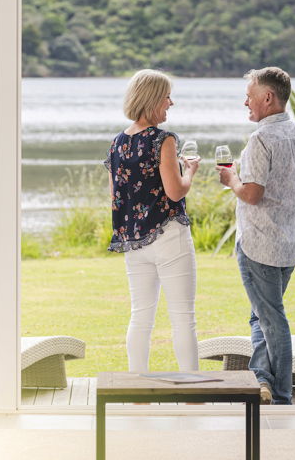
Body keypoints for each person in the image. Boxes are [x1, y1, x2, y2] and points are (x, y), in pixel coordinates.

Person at [216, 67, 295, 405]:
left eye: (250, 97)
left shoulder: (261, 139)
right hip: (290, 244)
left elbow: (251, 193)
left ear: (268, 98)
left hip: (259, 244)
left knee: (272, 318)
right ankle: (262, 379)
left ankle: (281, 394)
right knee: (262, 313)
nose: (245, 103)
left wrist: (231, 179)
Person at [105, 69, 201, 372]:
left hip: (134, 243)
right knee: (183, 318)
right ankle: (192, 392)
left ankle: (137, 391)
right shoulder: (164, 140)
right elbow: (174, 193)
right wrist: (190, 172)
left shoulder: (117, 144)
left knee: (141, 317)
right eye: (167, 96)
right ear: (152, 99)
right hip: (169, 237)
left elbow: (115, 198)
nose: (170, 103)